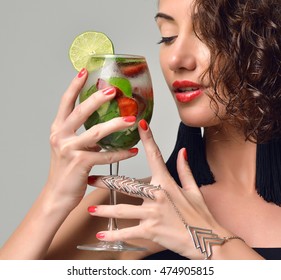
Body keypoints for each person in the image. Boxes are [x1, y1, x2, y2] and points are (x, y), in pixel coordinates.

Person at [1, 0, 281, 260]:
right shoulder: (131, 211)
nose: (176, 59)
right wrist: (55, 197)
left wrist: (208, 241)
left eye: (208, 33)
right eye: (168, 37)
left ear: (265, 43)